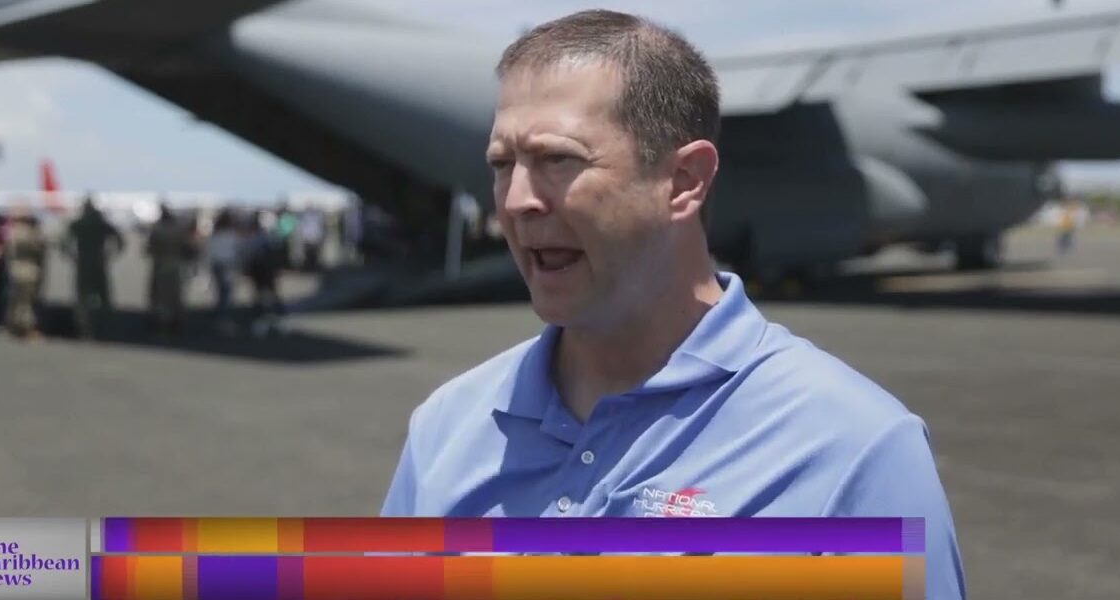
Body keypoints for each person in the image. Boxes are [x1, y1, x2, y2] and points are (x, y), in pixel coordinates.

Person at [379, 10, 965, 600]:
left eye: (558, 160)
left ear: (685, 180)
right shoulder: (447, 430)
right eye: (502, 165)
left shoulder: (850, 450)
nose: (517, 201)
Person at [64, 197, 125, 338]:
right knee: (103, 298)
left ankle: (85, 328)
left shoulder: (79, 224)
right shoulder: (101, 224)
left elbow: (64, 244)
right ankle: (105, 328)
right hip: (98, 264)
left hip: (84, 264)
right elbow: (120, 240)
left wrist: (73, 257)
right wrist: (110, 255)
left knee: (83, 298)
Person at [145, 205, 193, 334]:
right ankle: (177, 321)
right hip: (176, 264)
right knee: (175, 295)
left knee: (161, 295)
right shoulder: (179, 229)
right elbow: (187, 247)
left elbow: (149, 248)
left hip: (161, 265)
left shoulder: (157, 230)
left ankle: (163, 322)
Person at [4, 212, 47, 339]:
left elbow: (9, 252)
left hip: (16, 269)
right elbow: (40, 250)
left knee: (16, 300)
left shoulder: (14, 232)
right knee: (26, 302)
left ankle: (13, 326)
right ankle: (25, 327)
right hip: (30, 270)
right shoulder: (32, 233)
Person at [205, 209, 242, 334]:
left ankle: (219, 316)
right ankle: (224, 319)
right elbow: (237, 250)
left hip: (217, 265)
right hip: (227, 265)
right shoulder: (231, 235)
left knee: (220, 292)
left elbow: (209, 251)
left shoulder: (215, 234)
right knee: (227, 294)